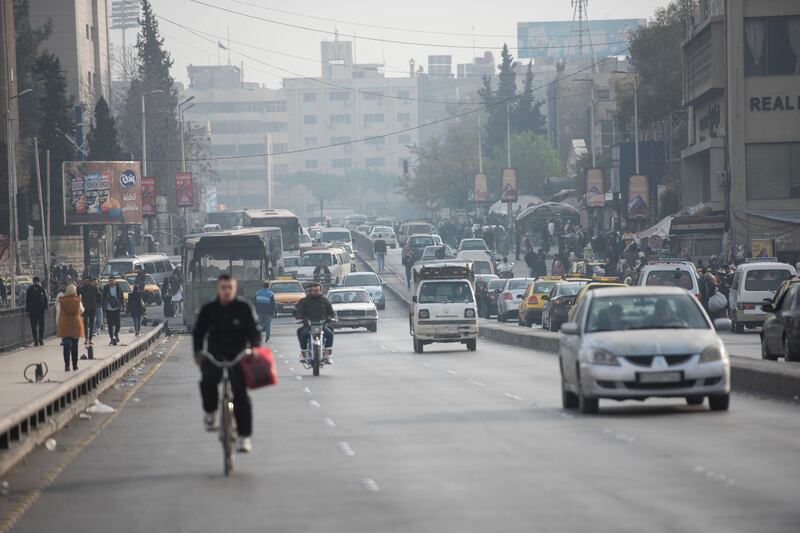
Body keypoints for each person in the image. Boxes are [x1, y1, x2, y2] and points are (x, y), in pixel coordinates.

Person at [193, 273, 261, 453]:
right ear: (218, 289)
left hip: (238, 355)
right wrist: (198, 353)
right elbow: (198, 333)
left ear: (235, 288)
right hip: (215, 355)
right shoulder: (208, 309)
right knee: (207, 381)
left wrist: (254, 348)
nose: (226, 291)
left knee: (241, 396)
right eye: (223, 287)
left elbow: (254, 332)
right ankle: (210, 412)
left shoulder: (244, 307)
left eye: (230, 287)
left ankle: (244, 437)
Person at [295, 282, 335, 362]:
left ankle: (327, 354)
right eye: (313, 291)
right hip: (309, 325)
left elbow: (332, 313)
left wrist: (329, 318)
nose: (315, 292)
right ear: (311, 291)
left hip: (322, 325)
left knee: (330, 334)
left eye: (317, 290)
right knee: (302, 334)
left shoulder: (325, 300)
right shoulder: (305, 301)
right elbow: (300, 312)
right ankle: (304, 353)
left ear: (320, 291)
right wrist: (301, 318)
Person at [57, 284, 83, 371]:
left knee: (66, 346)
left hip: (65, 325)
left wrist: (58, 324)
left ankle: (67, 365)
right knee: (75, 346)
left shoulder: (61, 301)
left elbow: (58, 314)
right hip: (76, 324)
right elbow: (82, 310)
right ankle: (75, 365)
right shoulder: (77, 301)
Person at [25, 277, 49, 346]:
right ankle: (35, 341)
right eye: (34, 281)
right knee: (33, 327)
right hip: (32, 311)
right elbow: (27, 300)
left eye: (37, 281)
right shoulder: (29, 290)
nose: (36, 283)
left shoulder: (42, 289)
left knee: (42, 326)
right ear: (33, 282)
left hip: (40, 311)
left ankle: (40, 339)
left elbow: (45, 298)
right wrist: (27, 311)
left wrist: (46, 307)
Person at [102, 276, 123, 345]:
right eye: (109, 281)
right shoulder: (106, 288)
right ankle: (111, 338)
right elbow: (103, 298)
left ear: (115, 281)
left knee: (118, 325)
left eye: (112, 281)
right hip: (108, 309)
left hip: (116, 309)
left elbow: (121, 297)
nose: (110, 282)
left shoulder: (118, 288)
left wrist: (123, 306)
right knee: (110, 325)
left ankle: (115, 333)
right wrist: (104, 306)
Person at [78, 277, 99, 345]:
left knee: (91, 324)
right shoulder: (82, 288)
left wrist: (97, 303)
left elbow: (99, 296)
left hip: (92, 307)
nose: (86, 282)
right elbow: (77, 293)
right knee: (85, 324)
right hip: (85, 308)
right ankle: (86, 338)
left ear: (90, 281)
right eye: (85, 281)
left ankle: (90, 339)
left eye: (88, 281)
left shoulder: (94, 288)